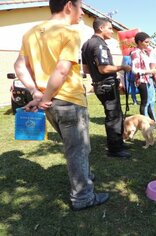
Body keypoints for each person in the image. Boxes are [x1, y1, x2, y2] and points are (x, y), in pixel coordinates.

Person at [13, 0, 109, 211]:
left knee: (78, 147)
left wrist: (37, 93)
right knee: (77, 150)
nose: (82, 12)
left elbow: (19, 66)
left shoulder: (31, 32)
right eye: (80, 6)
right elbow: (62, 70)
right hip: (69, 101)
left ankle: (86, 176)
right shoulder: (70, 32)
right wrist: (44, 95)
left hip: (50, 105)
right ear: (68, 6)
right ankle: (83, 197)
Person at [81, 17, 131, 158]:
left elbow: (86, 69)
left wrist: (98, 74)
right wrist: (122, 67)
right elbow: (104, 68)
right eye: (109, 28)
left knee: (114, 115)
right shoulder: (99, 45)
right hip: (107, 85)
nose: (111, 31)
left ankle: (117, 142)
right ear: (101, 28)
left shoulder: (86, 44)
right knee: (114, 117)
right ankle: (115, 149)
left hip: (99, 85)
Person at [130, 32, 156, 120]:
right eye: (146, 42)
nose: (148, 44)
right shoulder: (135, 53)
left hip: (149, 79)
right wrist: (149, 71)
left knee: (151, 101)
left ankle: (153, 121)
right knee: (145, 102)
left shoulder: (145, 52)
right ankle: (145, 122)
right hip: (142, 80)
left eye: (148, 42)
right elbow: (135, 70)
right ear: (139, 42)